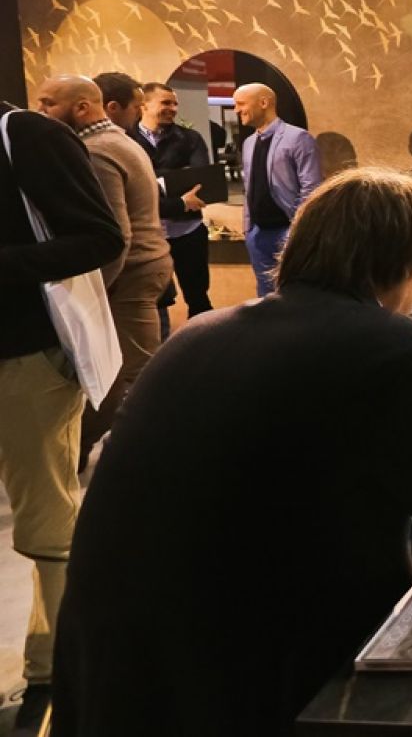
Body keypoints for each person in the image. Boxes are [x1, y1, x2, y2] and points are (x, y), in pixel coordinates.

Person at [51, 169, 412, 735]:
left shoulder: (195, 336)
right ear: (407, 264)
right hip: (254, 685)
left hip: (113, 679)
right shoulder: (401, 350)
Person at [0, 97, 123, 727]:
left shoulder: (24, 134)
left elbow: (102, 236)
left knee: (46, 520)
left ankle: (56, 671)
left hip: (25, 355)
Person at [35, 76, 173, 468]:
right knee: (127, 371)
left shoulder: (96, 152)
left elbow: (116, 236)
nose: (40, 112)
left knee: (123, 376)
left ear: (82, 107)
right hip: (142, 269)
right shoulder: (119, 142)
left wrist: (94, 292)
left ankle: (78, 453)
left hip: (129, 275)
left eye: (47, 103)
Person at [134, 80, 214, 333]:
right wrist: (176, 189)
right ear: (144, 105)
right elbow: (131, 191)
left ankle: (202, 345)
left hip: (188, 232)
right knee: (154, 301)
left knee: (198, 298)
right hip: (148, 234)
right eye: (166, 102)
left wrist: (153, 182)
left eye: (175, 103)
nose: (173, 108)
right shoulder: (126, 139)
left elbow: (201, 183)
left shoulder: (191, 139)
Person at [235, 83, 323, 297]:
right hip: (257, 233)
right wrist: (248, 229)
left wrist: (297, 230)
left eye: (241, 104)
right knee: (266, 294)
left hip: (288, 230)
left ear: (264, 103)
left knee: (297, 292)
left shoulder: (298, 138)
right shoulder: (248, 143)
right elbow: (249, 187)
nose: (236, 110)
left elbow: (311, 188)